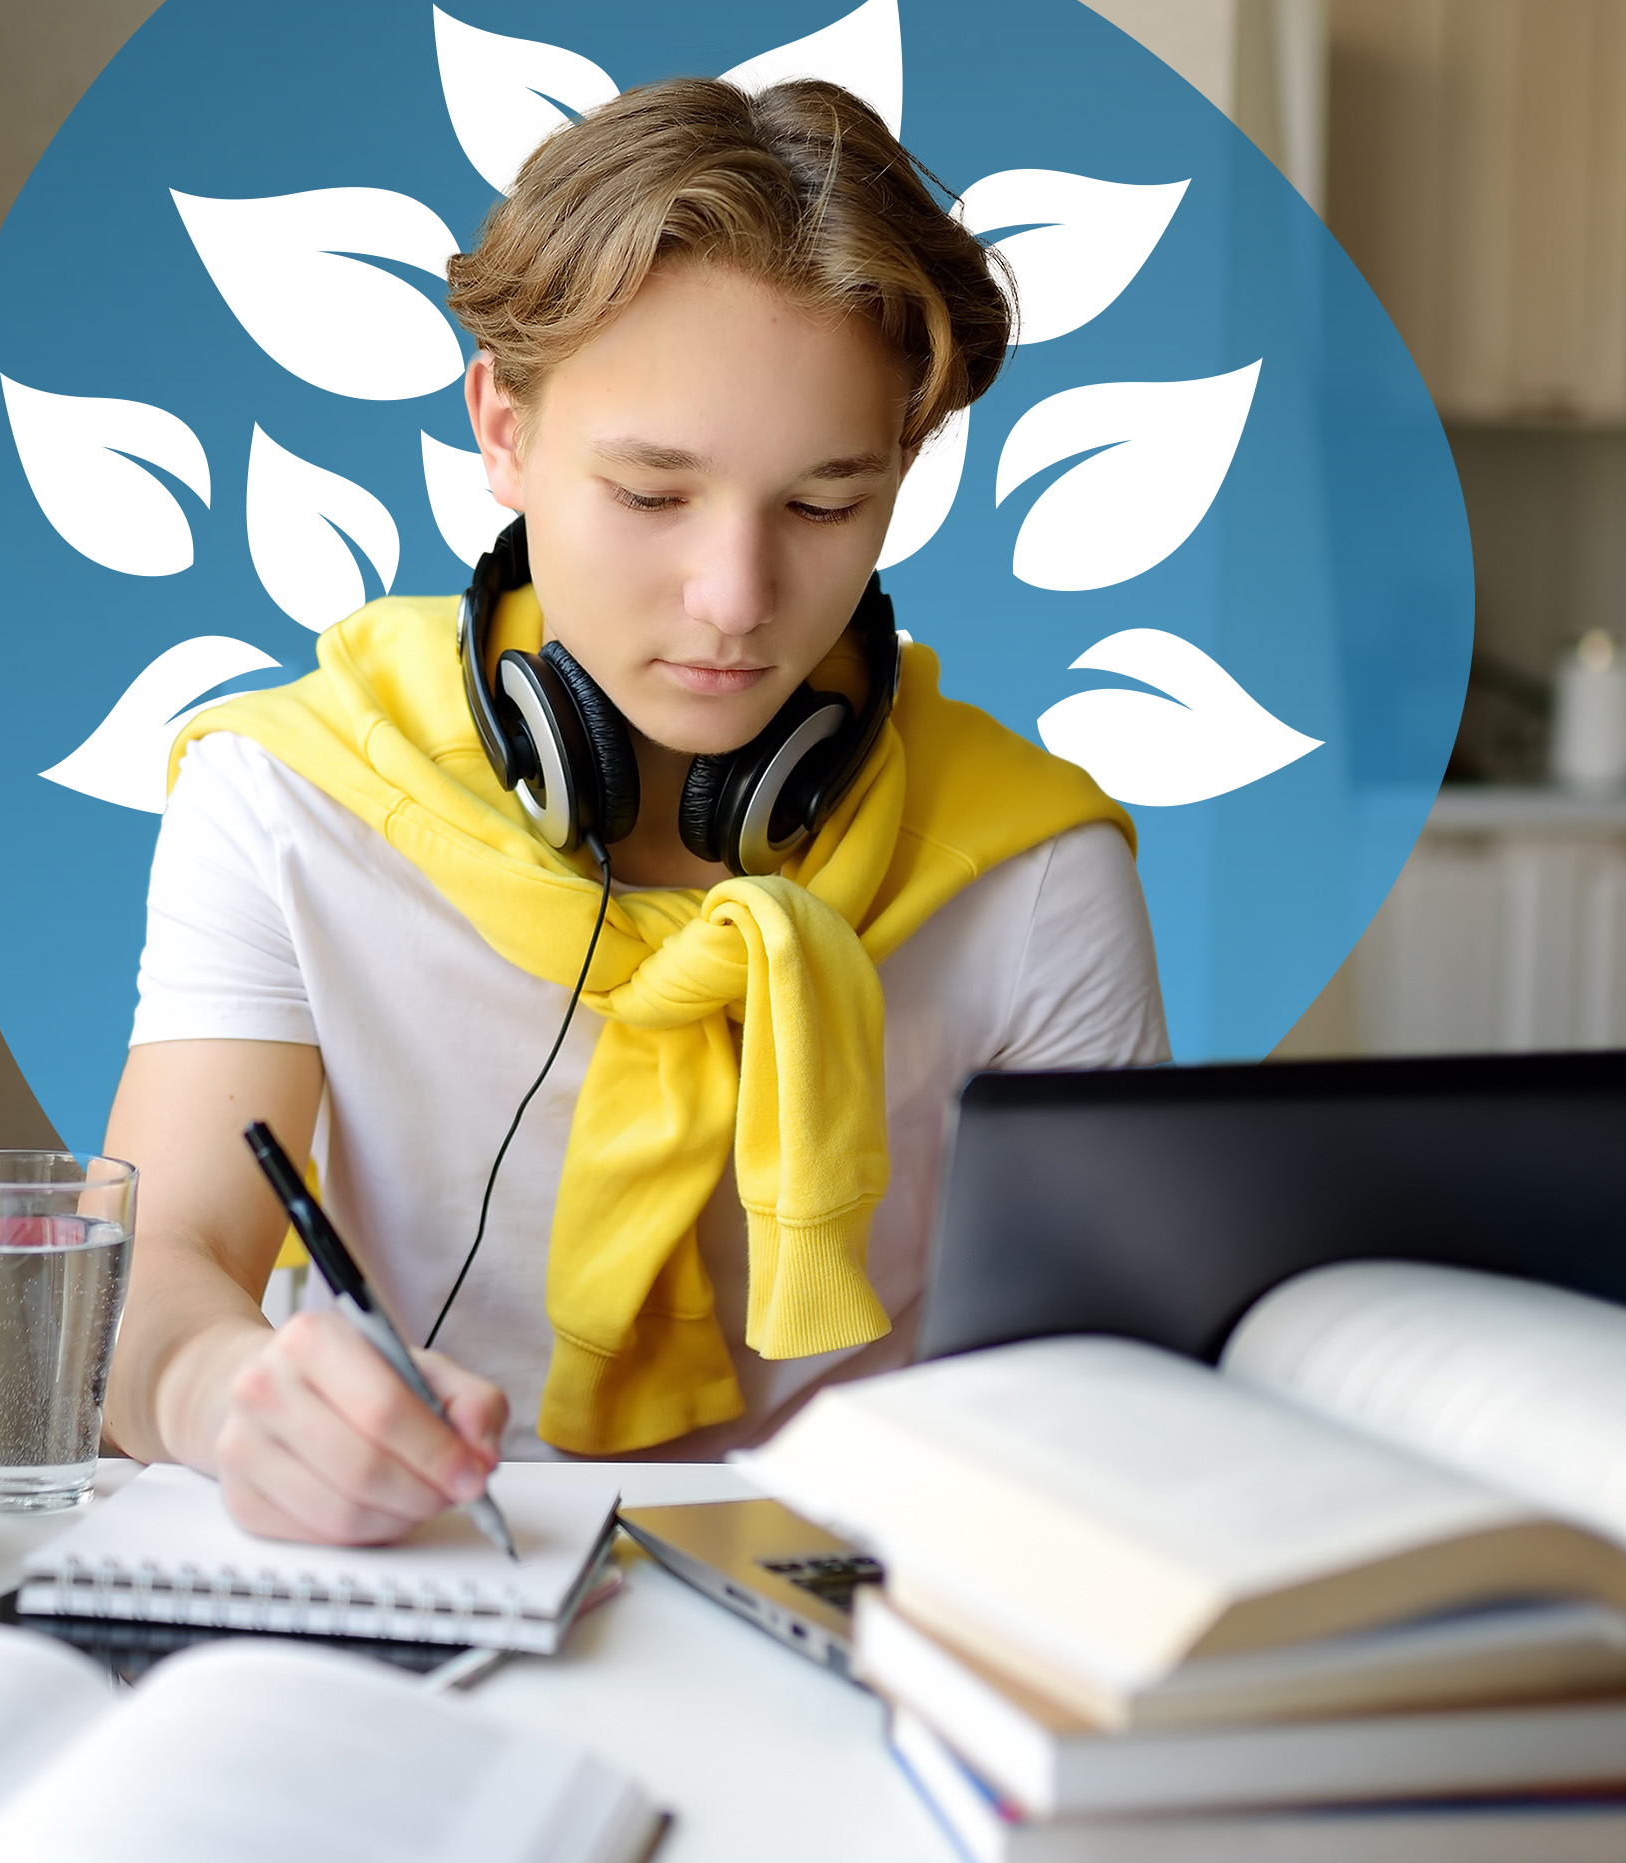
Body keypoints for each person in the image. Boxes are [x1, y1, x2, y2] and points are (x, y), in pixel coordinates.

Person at [99, 77, 1166, 1544]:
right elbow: (158, 1262)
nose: (735, 601)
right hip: (431, 1562)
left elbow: (1095, 1375)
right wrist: (226, 1394)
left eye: (822, 505)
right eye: (654, 494)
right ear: (504, 428)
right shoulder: (290, 794)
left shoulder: (1037, 866)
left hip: (868, 1590)